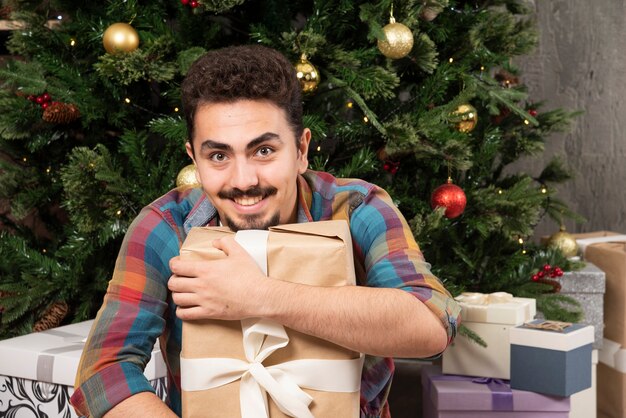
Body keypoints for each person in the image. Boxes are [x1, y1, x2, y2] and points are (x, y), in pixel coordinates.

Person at [70, 44, 461, 418]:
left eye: (263, 151)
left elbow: (431, 324)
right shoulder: (164, 227)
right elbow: (102, 372)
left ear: (301, 150)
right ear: (194, 157)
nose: (243, 180)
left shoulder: (358, 209)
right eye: (219, 156)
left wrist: (259, 295)